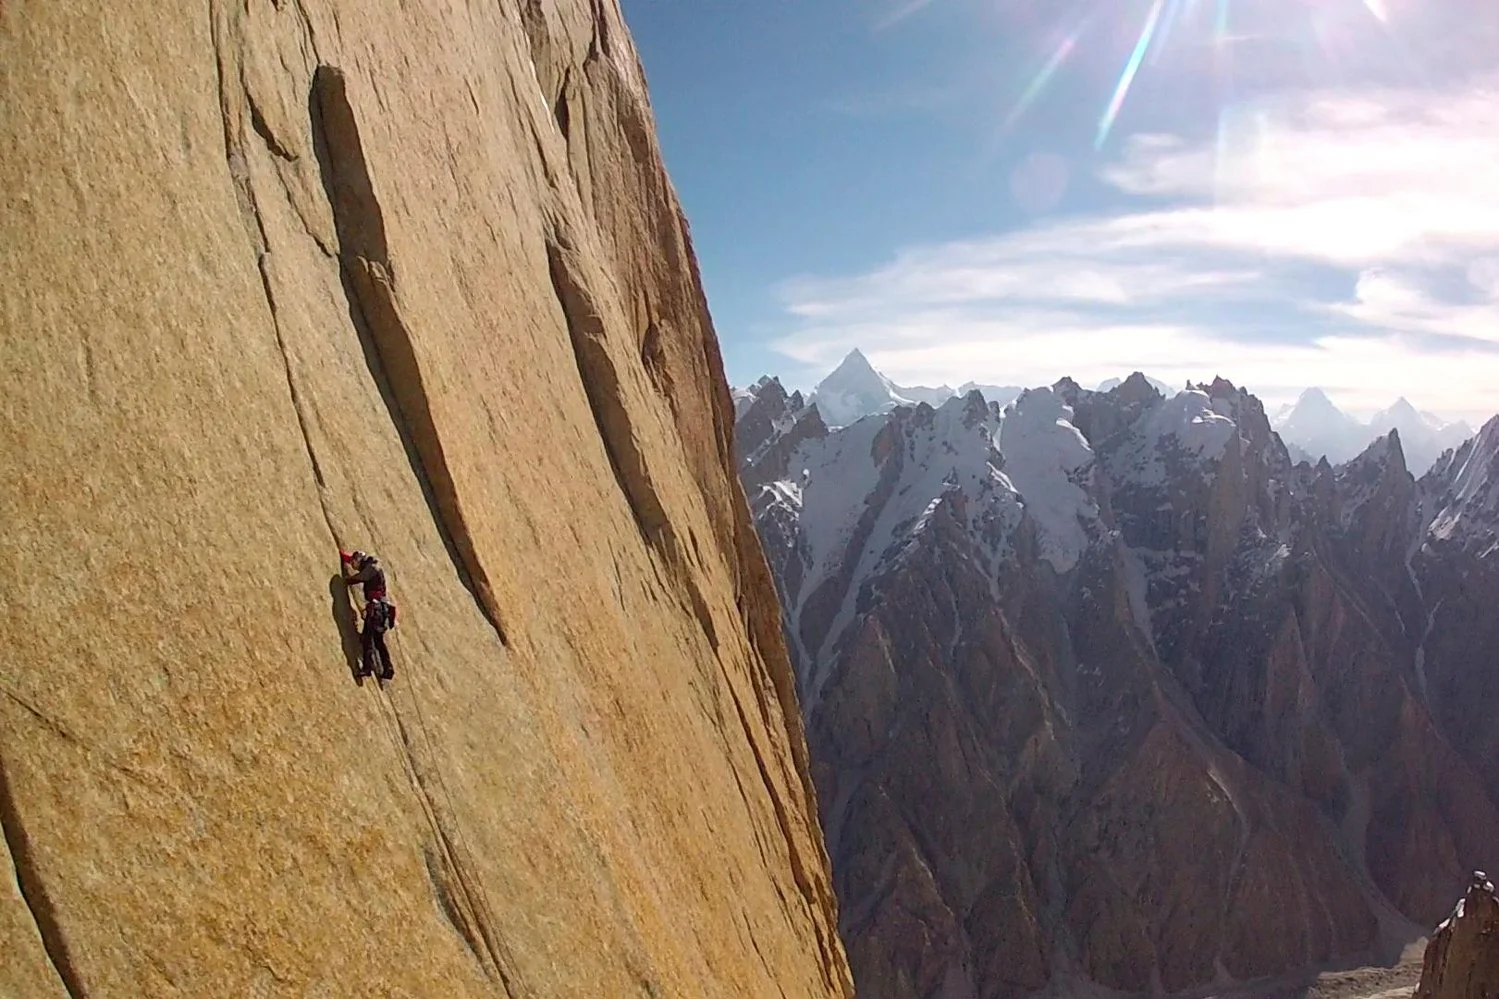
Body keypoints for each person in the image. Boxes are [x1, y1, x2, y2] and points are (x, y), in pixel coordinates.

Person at [340, 549, 397, 680]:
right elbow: (354, 562)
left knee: (368, 638)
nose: (354, 565)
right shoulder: (373, 565)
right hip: (382, 610)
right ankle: (388, 668)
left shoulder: (371, 568)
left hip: (376, 609)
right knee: (378, 641)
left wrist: (346, 580)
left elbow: (361, 577)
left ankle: (367, 668)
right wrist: (343, 556)